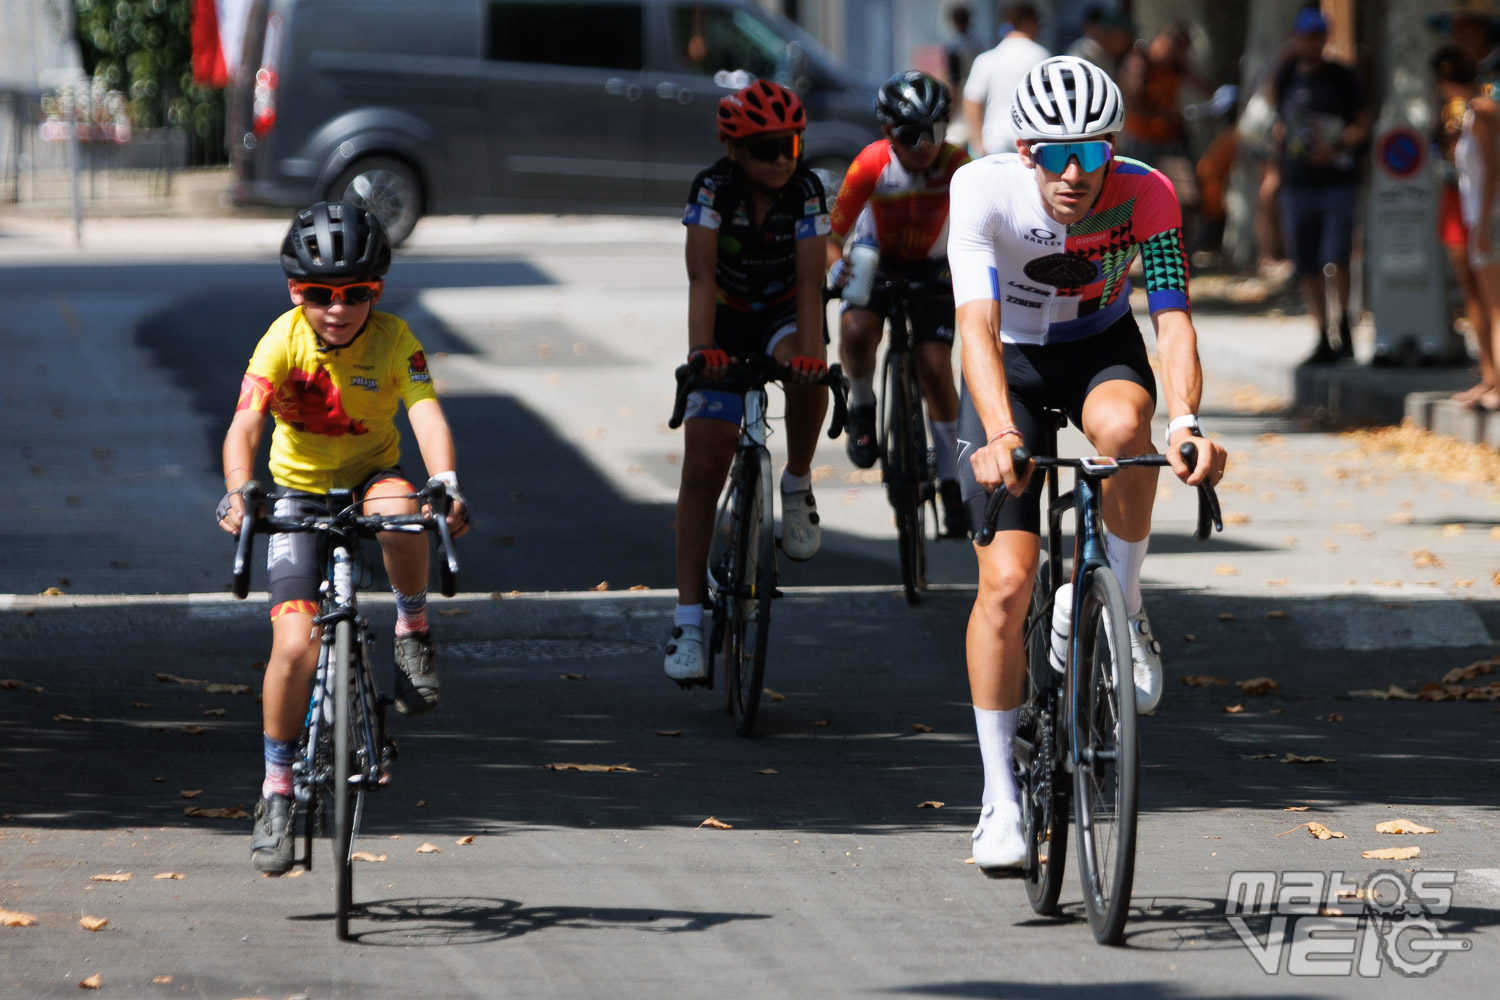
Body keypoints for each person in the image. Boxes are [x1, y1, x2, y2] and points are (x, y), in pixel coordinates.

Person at [946, 56, 1227, 871]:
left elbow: (1171, 320)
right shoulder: (981, 188)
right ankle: (999, 798)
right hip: (1012, 363)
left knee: (1127, 428)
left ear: (1115, 148)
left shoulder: (1149, 193)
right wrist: (1000, 432)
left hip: (1100, 348)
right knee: (1006, 582)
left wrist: (1191, 421)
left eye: (1093, 153)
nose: (1075, 174)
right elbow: (974, 326)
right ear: (1024, 150)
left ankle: (1123, 605)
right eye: (1056, 155)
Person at [216, 200, 471, 875]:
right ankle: (275, 791)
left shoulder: (394, 340)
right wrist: (240, 490)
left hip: (370, 477)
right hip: (296, 496)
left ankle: (411, 629)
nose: (338, 308)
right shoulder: (280, 340)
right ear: (295, 292)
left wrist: (444, 480)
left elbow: (427, 413)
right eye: (318, 295)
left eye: (356, 293)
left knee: (406, 509)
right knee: (293, 646)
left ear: (377, 292)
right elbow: (245, 424)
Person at [664, 80, 830, 683]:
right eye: (764, 148)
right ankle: (687, 620)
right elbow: (701, 280)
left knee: (812, 372)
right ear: (734, 149)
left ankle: (796, 482)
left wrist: (809, 358)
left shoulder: (807, 192)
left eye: (789, 144)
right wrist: (701, 353)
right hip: (727, 318)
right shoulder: (712, 189)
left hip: (783, 314)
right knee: (704, 463)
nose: (781, 158)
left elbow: (812, 287)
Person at [826, 72, 970, 536]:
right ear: (889, 134)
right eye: (913, 136)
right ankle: (862, 405)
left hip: (932, 270)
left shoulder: (956, 163)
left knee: (933, 365)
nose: (926, 145)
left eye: (937, 131)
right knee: (855, 331)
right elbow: (832, 237)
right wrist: (834, 268)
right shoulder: (870, 164)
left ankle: (951, 482)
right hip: (878, 262)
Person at [1270, 7, 1370, 364]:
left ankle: (1343, 323)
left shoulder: (1342, 76)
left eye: (1316, 37)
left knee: (1337, 256)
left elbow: (1362, 124)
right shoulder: (1286, 74)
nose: (1310, 44)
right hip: (1298, 183)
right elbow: (1274, 111)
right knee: (1307, 262)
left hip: (1337, 182)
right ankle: (1320, 333)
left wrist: (1337, 145)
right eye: (1304, 37)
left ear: (1325, 39)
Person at [1429, 3, 1500, 406]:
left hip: (1485, 205)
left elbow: (1492, 164)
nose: (1458, 36)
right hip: (1462, 196)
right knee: (1472, 289)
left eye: (1466, 28)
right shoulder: (1461, 97)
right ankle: (1488, 375)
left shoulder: (1487, 96)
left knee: (1494, 296)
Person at [962, 2, 1049, 157]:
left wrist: (977, 143)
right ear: (1028, 22)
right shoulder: (1042, 57)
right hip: (1031, 143)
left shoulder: (986, 59)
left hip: (993, 143)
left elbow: (971, 102)